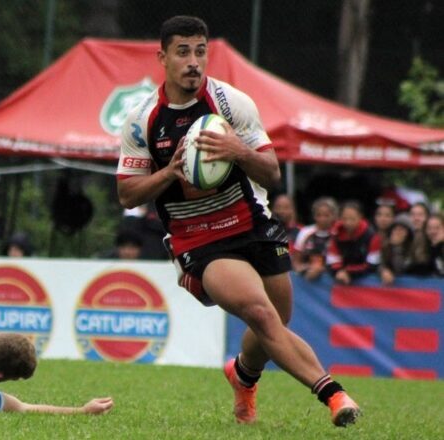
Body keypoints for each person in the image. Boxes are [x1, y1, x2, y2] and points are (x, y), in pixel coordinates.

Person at [115, 15, 359, 427]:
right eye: (183, 52)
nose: (193, 61)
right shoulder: (142, 119)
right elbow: (127, 193)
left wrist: (237, 150)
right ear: (162, 58)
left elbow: (272, 173)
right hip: (199, 240)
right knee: (261, 314)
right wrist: (170, 172)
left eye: (200, 51)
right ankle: (334, 395)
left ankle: (243, 375)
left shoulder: (231, 104)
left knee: (276, 319)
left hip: (251, 223)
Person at [326, 201, 382, 285]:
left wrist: (348, 272)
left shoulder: (372, 236)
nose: (348, 223)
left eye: (352, 219)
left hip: (365, 282)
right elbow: (332, 260)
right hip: (341, 277)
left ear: (360, 217)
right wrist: (339, 271)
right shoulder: (335, 234)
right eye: (344, 219)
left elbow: (372, 265)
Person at [292, 197, 338, 280]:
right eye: (318, 215)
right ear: (314, 216)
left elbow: (340, 262)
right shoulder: (305, 232)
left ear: (334, 216)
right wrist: (303, 268)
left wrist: (320, 269)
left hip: (330, 276)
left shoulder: (337, 233)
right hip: (306, 276)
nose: (322, 219)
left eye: (326, 215)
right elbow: (296, 260)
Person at [378, 214, 415, 285]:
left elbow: (400, 270)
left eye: (401, 230)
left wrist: (397, 247)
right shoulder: (386, 246)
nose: (397, 232)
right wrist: (383, 270)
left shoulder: (412, 249)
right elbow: (379, 263)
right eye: (395, 229)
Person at [406, 202, 433, 275]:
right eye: (413, 215)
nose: (416, 218)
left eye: (420, 215)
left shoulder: (433, 238)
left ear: (427, 217)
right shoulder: (403, 236)